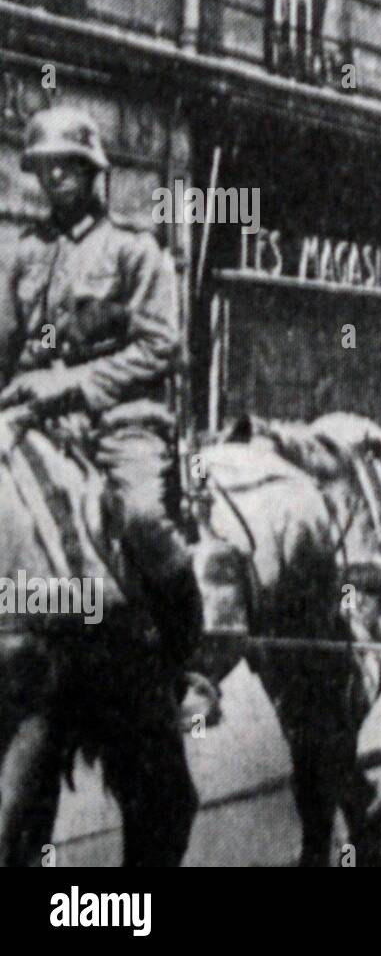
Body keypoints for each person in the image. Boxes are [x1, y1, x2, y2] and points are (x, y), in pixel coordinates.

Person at [0, 106, 204, 673]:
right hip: (35, 421)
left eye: (68, 166)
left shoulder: (135, 251)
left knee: (140, 518)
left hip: (123, 421)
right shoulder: (26, 252)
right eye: (44, 169)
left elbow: (163, 349)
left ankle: (182, 661)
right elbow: (6, 340)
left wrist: (69, 385)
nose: (54, 179)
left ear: (95, 174)